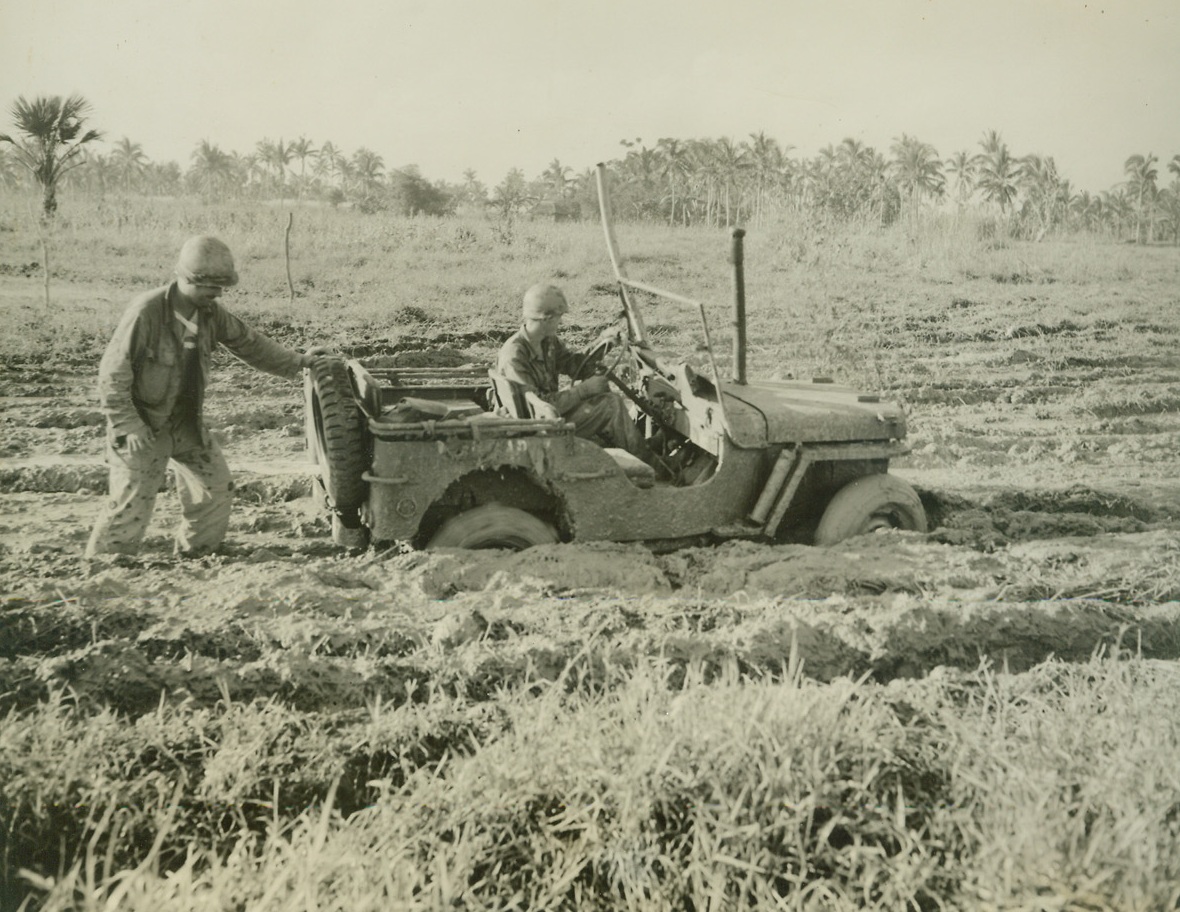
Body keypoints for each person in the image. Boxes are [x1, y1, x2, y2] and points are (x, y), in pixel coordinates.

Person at [85, 235, 323, 559]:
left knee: (215, 487)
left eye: (220, 287)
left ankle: (199, 555)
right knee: (132, 501)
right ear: (184, 278)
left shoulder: (209, 313)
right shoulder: (147, 312)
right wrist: (129, 425)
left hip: (185, 424)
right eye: (207, 286)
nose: (215, 293)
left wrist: (299, 362)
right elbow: (112, 375)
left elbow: (250, 344)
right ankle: (103, 568)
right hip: (143, 425)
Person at [497, 283, 650, 460]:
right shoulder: (515, 356)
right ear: (546, 318)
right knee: (610, 405)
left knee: (605, 399)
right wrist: (583, 390)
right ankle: (652, 464)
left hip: (549, 416)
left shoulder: (547, 342)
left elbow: (575, 365)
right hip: (538, 428)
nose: (560, 322)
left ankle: (634, 447)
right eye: (558, 317)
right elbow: (536, 409)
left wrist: (604, 342)